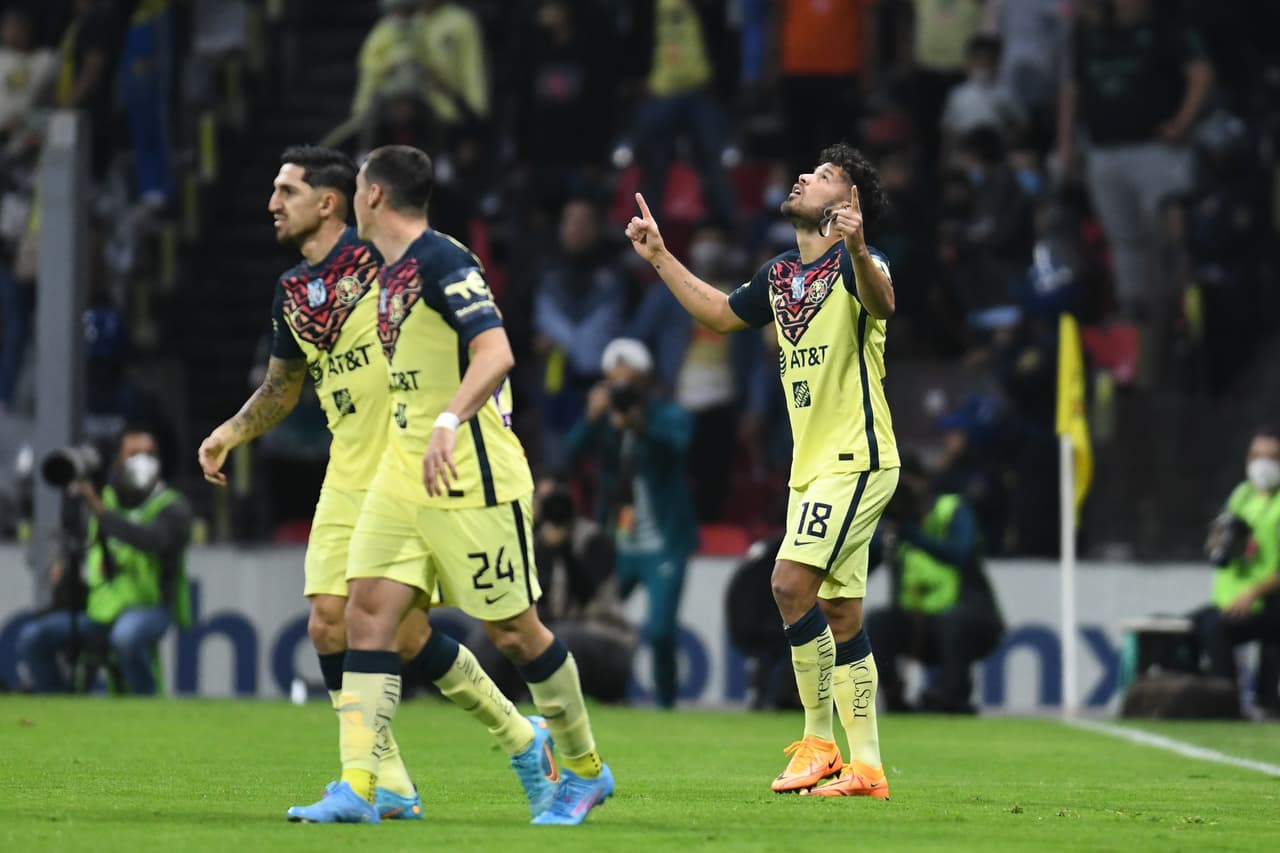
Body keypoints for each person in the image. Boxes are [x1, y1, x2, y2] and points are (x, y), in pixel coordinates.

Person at [197, 146, 556, 823]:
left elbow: (472, 336)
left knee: (410, 627)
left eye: (287, 190)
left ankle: (511, 737)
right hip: (347, 465)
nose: (272, 203)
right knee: (334, 624)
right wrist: (232, 431)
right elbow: (283, 385)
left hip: (410, 461)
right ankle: (389, 779)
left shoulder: (391, 262)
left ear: (331, 201)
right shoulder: (292, 292)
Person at [288, 145, 612, 825]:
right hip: (403, 473)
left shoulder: (444, 261)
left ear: (372, 195)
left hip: (470, 472)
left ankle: (586, 768)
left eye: (356, 188)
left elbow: (497, 351)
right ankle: (360, 785)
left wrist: (448, 418)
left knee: (516, 631)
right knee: (366, 611)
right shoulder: (390, 269)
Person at [626, 142, 899, 797]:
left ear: (847, 204)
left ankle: (818, 744)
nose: (804, 175)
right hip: (812, 467)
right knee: (840, 611)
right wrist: (662, 257)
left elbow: (884, 303)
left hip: (856, 458)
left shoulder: (859, 264)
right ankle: (866, 768)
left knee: (786, 582)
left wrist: (859, 249)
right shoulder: (780, 275)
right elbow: (720, 315)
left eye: (824, 176)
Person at [564, 337, 698, 708]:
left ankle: (666, 707)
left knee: (659, 631)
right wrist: (592, 419)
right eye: (614, 383)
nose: (621, 391)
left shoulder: (666, 415)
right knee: (586, 621)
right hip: (618, 543)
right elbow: (567, 457)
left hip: (664, 544)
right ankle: (592, 696)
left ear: (644, 382)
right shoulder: (605, 421)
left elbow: (680, 446)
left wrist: (640, 424)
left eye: (628, 383)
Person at [19, 425, 191, 695]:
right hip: (100, 612)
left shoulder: (172, 507)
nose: (141, 460)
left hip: (151, 608)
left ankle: (148, 706)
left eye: (149, 453)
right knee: (33, 638)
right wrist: (60, 559)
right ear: (118, 461)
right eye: (133, 453)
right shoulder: (104, 499)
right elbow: (64, 535)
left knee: (125, 637)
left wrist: (97, 508)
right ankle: (62, 704)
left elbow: (149, 540)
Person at [865, 459, 1005, 714]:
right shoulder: (893, 528)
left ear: (925, 483)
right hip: (921, 627)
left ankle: (953, 697)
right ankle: (894, 696)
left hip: (972, 622)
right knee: (878, 621)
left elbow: (960, 553)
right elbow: (861, 569)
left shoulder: (952, 509)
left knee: (954, 621)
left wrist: (913, 534)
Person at [1191, 426, 1280, 702]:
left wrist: (1253, 593)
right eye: (1256, 456)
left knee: (1215, 628)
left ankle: (1226, 699)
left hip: (1268, 601)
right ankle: (1197, 696)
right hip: (1233, 598)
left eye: (1271, 457)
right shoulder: (1241, 494)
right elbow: (1222, 538)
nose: (1262, 464)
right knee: (1194, 624)